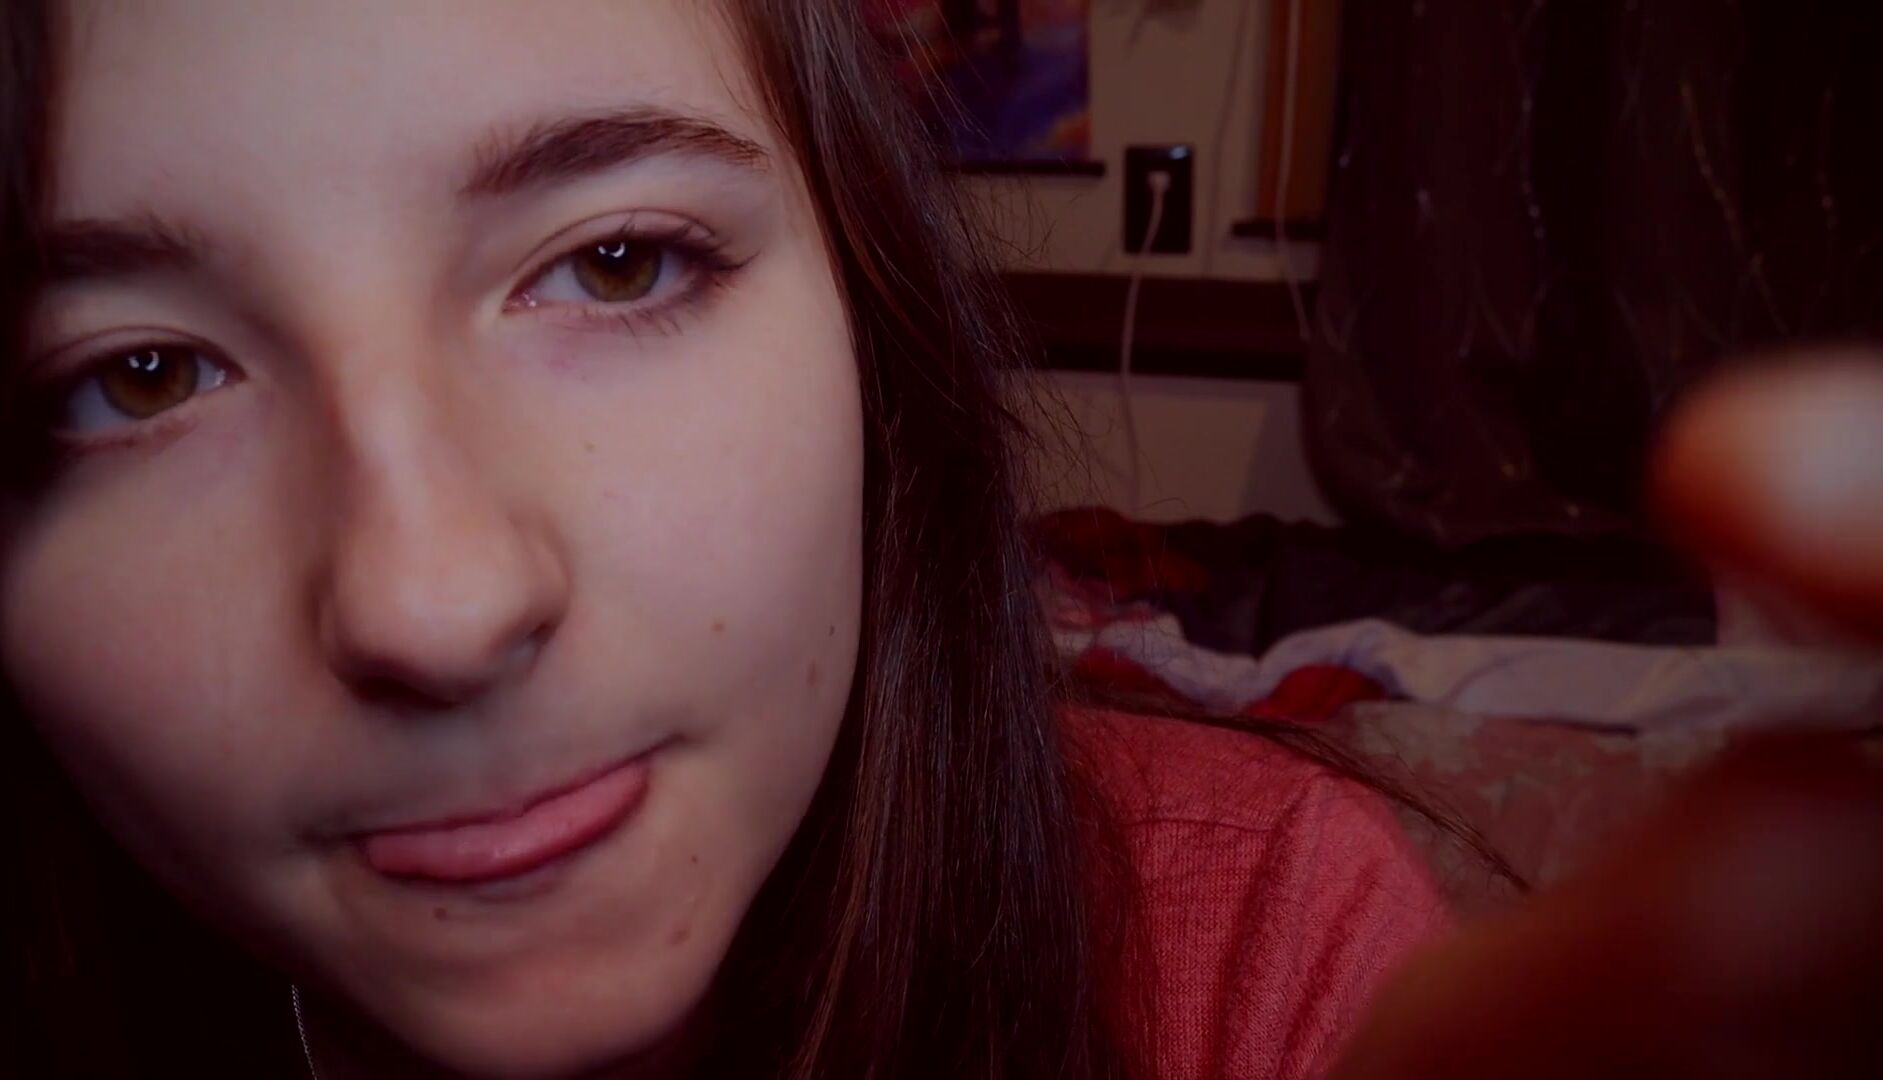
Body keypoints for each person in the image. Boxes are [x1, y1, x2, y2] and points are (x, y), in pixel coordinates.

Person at [0, 3, 1876, 1078]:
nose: (434, 598)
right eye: (137, 377)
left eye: (619, 262)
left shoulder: (1248, 958)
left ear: (871, 323)